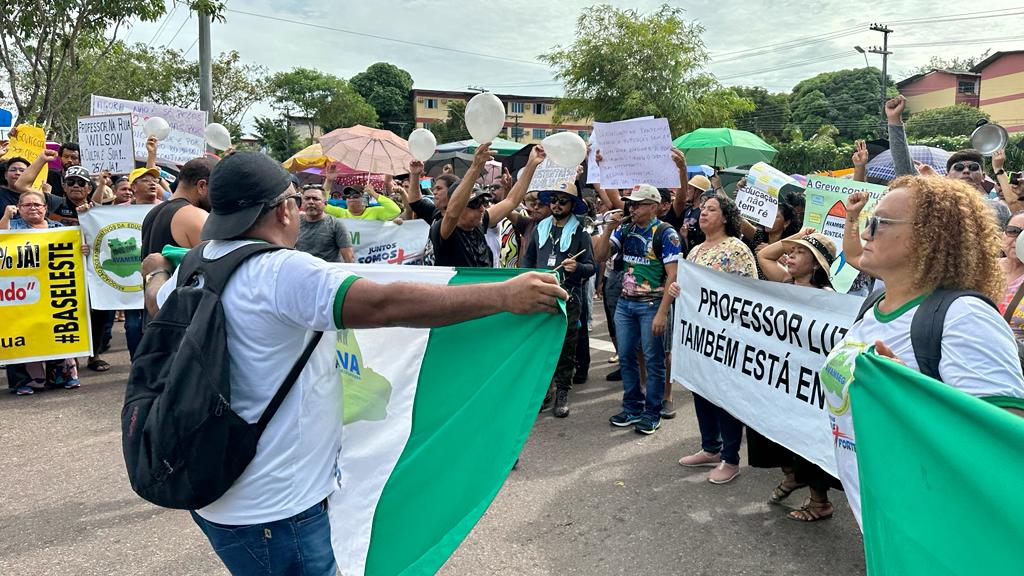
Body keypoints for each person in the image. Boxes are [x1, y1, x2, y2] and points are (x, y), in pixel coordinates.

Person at [141, 151, 567, 576]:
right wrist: (503, 296)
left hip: (216, 488)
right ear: (283, 210)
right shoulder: (281, 271)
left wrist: (155, 270)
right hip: (275, 511)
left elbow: (157, 304)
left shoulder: (200, 261)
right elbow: (384, 304)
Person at [829, 175, 1024, 529]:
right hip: (881, 517)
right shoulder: (874, 304)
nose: (867, 232)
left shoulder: (965, 316)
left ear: (930, 236)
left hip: (935, 527)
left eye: (880, 222)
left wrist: (914, 397)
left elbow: (1008, 438)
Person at [753, 229, 844, 520]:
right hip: (780, 376)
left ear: (816, 264)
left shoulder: (829, 299)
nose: (790, 255)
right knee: (768, 427)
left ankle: (819, 503)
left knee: (808, 438)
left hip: (809, 385)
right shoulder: (784, 282)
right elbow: (764, 254)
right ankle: (791, 476)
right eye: (791, 251)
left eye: (800, 252)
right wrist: (796, 237)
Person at [677, 194, 757, 483]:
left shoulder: (737, 249)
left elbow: (746, 292)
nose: (704, 213)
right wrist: (678, 291)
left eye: (712, 209)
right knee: (702, 390)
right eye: (702, 209)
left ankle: (730, 458)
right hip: (699, 336)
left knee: (724, 396)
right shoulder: (696, 250)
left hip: (725, 337)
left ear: (726, 217)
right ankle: (710, 447)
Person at [594, 184, 682, 435]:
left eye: (638, 204)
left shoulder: (666, 233)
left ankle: (652, 412)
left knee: (654, 361)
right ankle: (632, 406)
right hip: (625, 302)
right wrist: (609, 227)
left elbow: (673, 277)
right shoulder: (625, 228)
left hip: (651, 303)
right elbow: (601, 256)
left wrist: (662, 312)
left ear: (653, 207)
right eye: (630, 203)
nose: (632, 208)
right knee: (627, 356)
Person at [520, 183, 595, 417]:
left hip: (568, 296)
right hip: (541, 295)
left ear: (572, 204)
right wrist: (526, 280)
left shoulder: (581, 231)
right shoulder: (540, 228)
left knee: (566, 345)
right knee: (542, 344)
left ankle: (563, 390)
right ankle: (545, 390)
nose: (556, 204)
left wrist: (578, 267)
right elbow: (528, 259)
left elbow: (592, 267)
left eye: (562, 201)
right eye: (553, 200)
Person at [1, 191, 81, 394]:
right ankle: (25, 381)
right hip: (22, 290)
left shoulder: (59, 229)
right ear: (19, 207)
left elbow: (73, 251)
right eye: (27, 205)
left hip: (53, 288)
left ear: (45, 208)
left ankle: (63, 377)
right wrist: (5, 217)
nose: (33, 208)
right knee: (22, 331)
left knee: (59, 327)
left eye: (37, 204)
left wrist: (82, 250)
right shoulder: (13, 226)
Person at [430, 143, 541, 268]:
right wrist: (475, 167)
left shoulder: (479, 223)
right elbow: (453, 213)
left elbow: (511, 201)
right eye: (475, 204)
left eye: (483, 202)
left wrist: (532, 163)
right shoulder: (444, 231)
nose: (482, 208)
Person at [295, 184, 355, 263]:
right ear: (302, 202)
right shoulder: (295, 222)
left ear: (325, 204)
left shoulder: (336, 225)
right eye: (307, 198)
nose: (311, 202)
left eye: (316, 199)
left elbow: (349, 259)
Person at [323, 183, 401, 221]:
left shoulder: (375, 212)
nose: (351, 198)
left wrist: (373, 193)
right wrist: (329, 181)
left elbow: (395, 211)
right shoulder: (341, 213)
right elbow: (322, 205)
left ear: (365, 199)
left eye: (355, 196)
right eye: (348, 196)